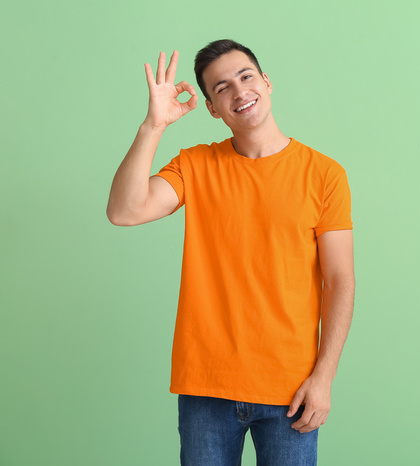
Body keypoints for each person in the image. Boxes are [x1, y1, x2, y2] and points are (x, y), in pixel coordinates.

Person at [106, 39, 355, 466]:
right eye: (221, 88)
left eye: (246, 77)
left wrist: (324, 377)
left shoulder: (324, 174)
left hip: (290, 389)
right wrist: (154, 126)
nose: (239, 92)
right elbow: (124, 211)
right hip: (205, 386)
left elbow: (340, 280)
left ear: (266, 82)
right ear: (212, 108)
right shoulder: (195, 165)